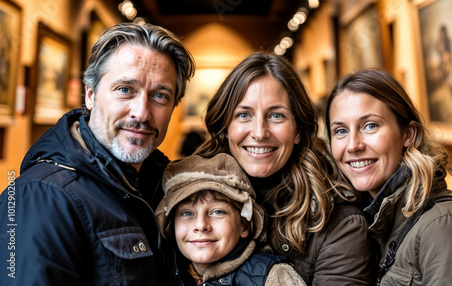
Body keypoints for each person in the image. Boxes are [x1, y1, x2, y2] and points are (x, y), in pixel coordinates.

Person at [0, 23, 195, 285]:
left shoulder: (161, 184)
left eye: (160, 96)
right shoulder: (42, 196)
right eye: (125, 90)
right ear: (90, 95)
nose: (142, 113)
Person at [195, 52, 373, 285]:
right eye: (244, 115)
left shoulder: (340, 224)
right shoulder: (185, 199)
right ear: (225, 127)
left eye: (276, 115)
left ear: (298, 130)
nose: (259, 132)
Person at [324, 69, 452, 285]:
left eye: (370, 126)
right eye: (340, 131)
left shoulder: (446, 226)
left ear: (408, 134)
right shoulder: (370, 220)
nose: (353, 145)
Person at [155, 153, 306, 286]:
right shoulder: (160, 273)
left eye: (218, 212)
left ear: (244, 226)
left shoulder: (272, 277)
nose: (201, 225)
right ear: (171, 225)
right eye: (187, 213)